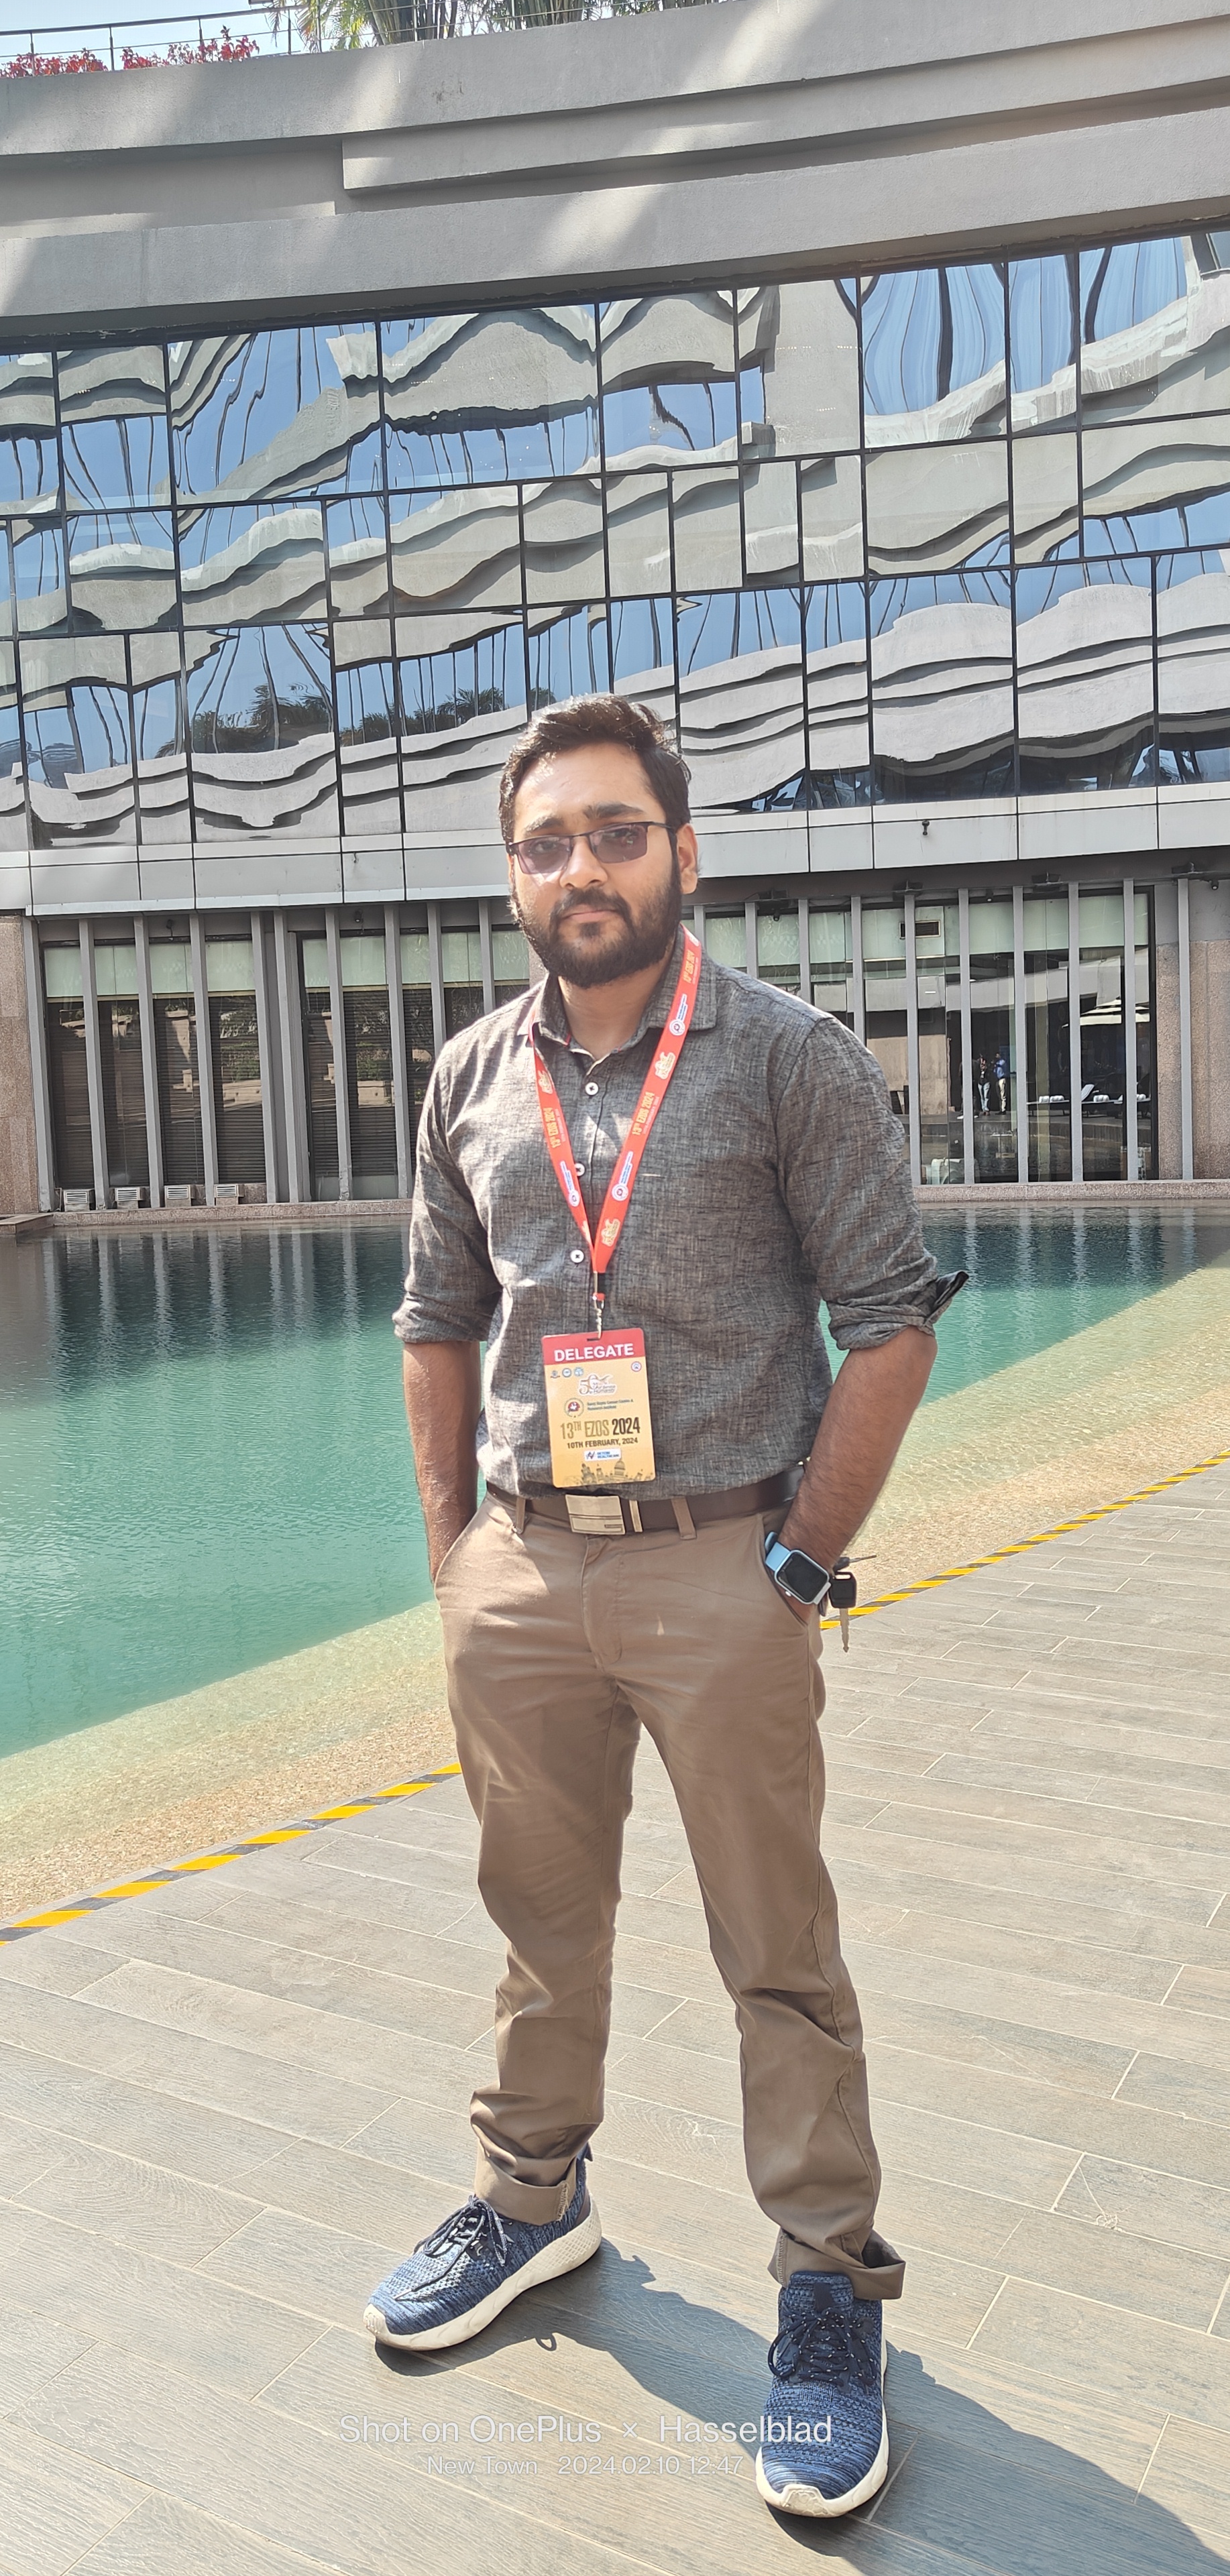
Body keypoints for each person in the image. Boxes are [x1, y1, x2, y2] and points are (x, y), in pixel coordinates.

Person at [368, 694, 942, 2522]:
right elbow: (435, 1322)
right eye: (546, 843)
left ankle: (827, 2285)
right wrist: (456, 1555)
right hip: (527, 1567)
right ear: (513, 876)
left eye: (616, 833)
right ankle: (531, 2198)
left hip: (722, 1561)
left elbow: (891, 1321)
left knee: (776, 1944)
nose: (583, 868)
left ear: (682, 854)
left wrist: (798, 1563)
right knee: (537, 1924)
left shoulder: (786, 1058)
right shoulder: (469, 1076)